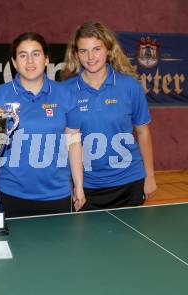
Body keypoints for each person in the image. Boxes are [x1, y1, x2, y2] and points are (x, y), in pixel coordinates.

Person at [0, 32, 86, 218]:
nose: (30, 61)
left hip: (57, 194)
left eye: (36, 54)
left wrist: (79, 186)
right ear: (15, 63)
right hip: (11, 193)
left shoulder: (65, 94)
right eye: (23, 55)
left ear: (46, 59)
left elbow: (73, 142)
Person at [60, 21, 157, 210]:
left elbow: (143, 132)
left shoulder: (130, 87)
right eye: (83, 51)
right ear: (76, 54)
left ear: (108, 49)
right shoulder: (65, 91)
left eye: (96, 49)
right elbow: (66, 141)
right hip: (87, 187)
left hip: (130, 182)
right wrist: (73, 184)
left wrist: (150, 176)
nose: (90, 57)